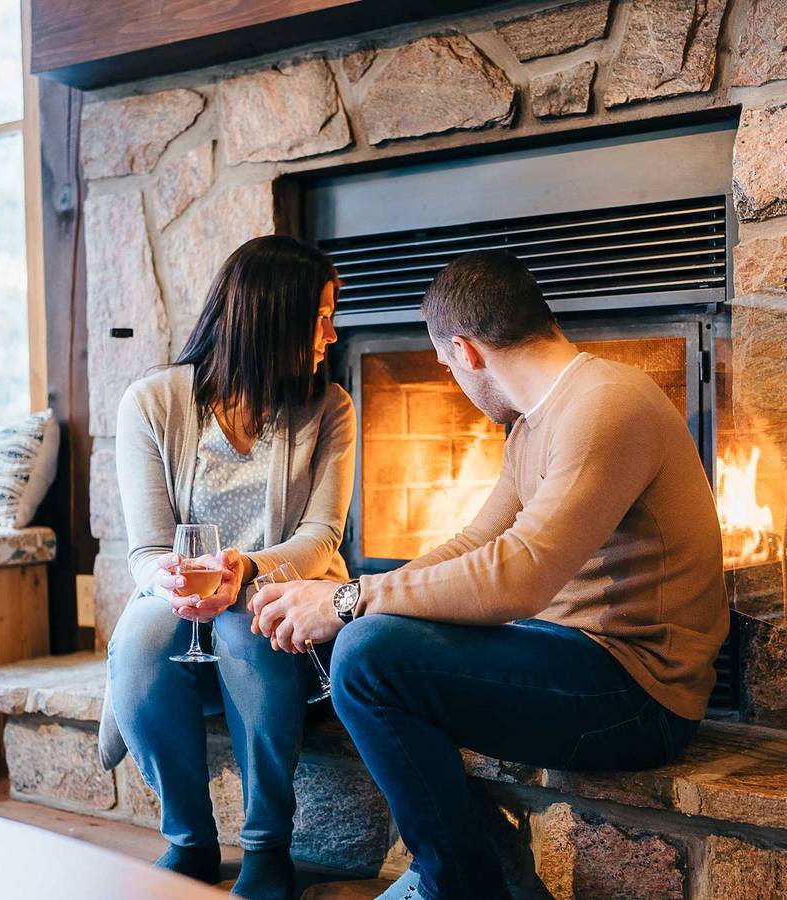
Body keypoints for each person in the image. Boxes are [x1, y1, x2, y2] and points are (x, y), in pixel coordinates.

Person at [250, 250, 728, 900]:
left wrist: (349, 597)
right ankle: (493, 866)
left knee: (368, 654)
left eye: (446, 367)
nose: (454, 380)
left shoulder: (609, 405)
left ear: (466, 351)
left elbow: (522, 575)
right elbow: (477, 541)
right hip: (576, 660)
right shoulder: (533, 426)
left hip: (640, 696)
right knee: (361, 638)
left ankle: (455, 886)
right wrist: (351, 602)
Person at [101, 235, 354, 900]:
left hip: (281, 590)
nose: (332, 332)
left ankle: (268, 846)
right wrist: (177, 583)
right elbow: (147, 551)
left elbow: (323, 535)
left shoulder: (329, 408)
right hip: (183, 597)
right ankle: (188, 839)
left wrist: (247, 571)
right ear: (270, 318)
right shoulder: (152, 405)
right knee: (140, 640)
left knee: (249, 626)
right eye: (320, 316)